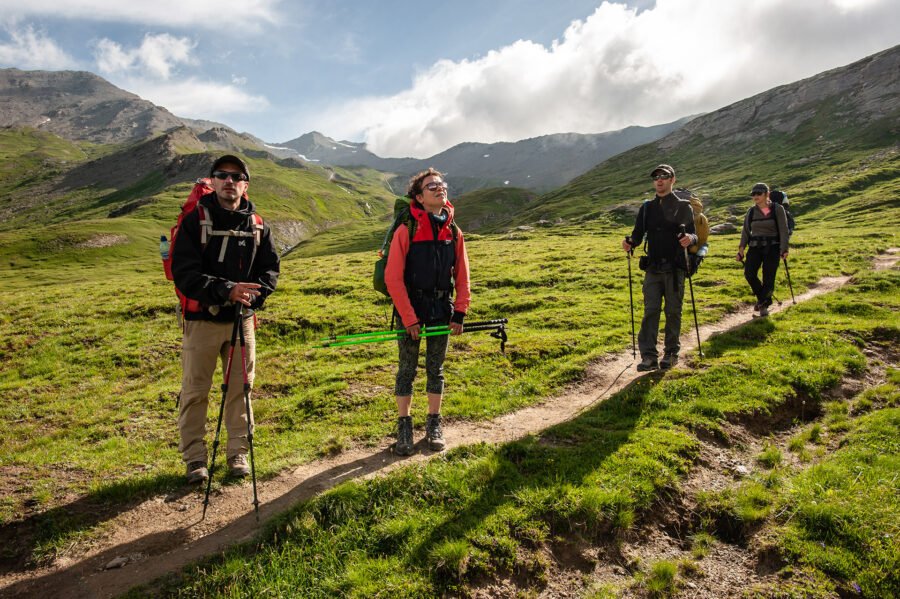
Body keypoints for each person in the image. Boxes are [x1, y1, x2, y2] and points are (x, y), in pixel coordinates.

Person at [171, 155, 280, 483]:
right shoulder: (195, 220)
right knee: (195, 390)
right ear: (213, 181)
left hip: (242, 321)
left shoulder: (258, 224)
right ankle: (194, 459)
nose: (229, 181)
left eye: (237, 176)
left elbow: (270, 271)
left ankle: (238, 454)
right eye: (222, 175)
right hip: (202, 320)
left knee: (240, 389)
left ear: (245, 184)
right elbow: (183, 273)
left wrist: (253, 297)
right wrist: (226, 290)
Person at [384, 168, 471, 456]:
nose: (438, 188)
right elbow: (393, 278)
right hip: (411, 311)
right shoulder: (405, 229)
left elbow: (462, 274)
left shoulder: (454, 230)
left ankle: (434, 423)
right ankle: (404, 425)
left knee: (436, 369)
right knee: (406, 370)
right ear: (419, 198)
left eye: (441, 184)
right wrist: (409, 318)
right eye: (430, 186)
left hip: (440, 311)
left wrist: (459, 312)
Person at [622, 164, 697, 371]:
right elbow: (637, 234)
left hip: (675, 269)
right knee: (650, 311)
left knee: (673, 311)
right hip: (653, 268)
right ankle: (648, 356)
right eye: (656, 177)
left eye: (664, 176)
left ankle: (671, 353)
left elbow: (693, 234)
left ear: (673, 180)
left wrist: (690, 238)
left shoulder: (683, 206)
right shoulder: (647, 208)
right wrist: (630, 242)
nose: (659, 180)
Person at [736, 182, 790, 317]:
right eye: (753, 194)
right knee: (749, 273)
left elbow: (783, 230)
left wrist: (784, 249)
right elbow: (746, 232)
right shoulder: (751, 212)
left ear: (767, 194)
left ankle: (763, 305)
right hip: (755, 247)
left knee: (768, 277)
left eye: (759, 193)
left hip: (772, 247)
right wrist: (741, 249)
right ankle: (763, 298)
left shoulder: (777, 209)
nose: (755, 196)